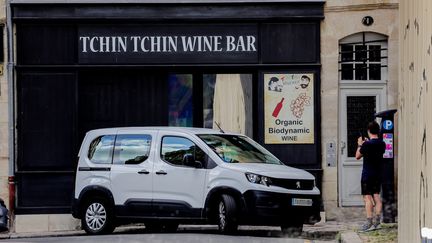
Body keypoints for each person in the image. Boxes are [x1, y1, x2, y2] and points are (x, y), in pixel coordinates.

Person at [355, 121, 386, 232]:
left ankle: (369, 222)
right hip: (377, 174)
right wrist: (366, 144)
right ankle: (377, 222)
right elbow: (374, 148)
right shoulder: (382, 143)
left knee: (367, 198)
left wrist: (360, 144)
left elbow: (357, 156)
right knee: (377, 197)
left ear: (368, 131)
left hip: (367, 175)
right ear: (378, 131)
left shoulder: (366, 145)